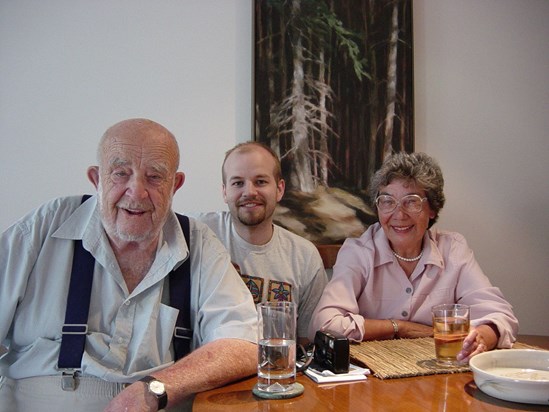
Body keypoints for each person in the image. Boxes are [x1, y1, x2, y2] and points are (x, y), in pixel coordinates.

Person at [0, 119, 258, 411]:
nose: (136, 192)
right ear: (97, 179)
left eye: (154, 177)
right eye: (121, 174)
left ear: (176, 184)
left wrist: (156, 389)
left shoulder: (198, 242)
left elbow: (245, 344)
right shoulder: (43, 230)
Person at [309, 152, 518, 363]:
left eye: (412, 202)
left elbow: (500, 316)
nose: (399, 214)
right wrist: (400, 327)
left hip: (441, 377)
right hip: (373, 378)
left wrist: (482, 337)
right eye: (387, 201)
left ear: (432, 209)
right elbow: (323, 324)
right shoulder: (358, 252)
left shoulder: (453, 249)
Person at [192, 142, 328, 345]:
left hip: (277, 370)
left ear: (279, 189)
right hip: (210, 367)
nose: (249, 192)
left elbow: (306, 341)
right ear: (224, 191)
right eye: (238, 183)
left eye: (261, 182)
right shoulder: (197, 234)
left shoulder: (305, 257)